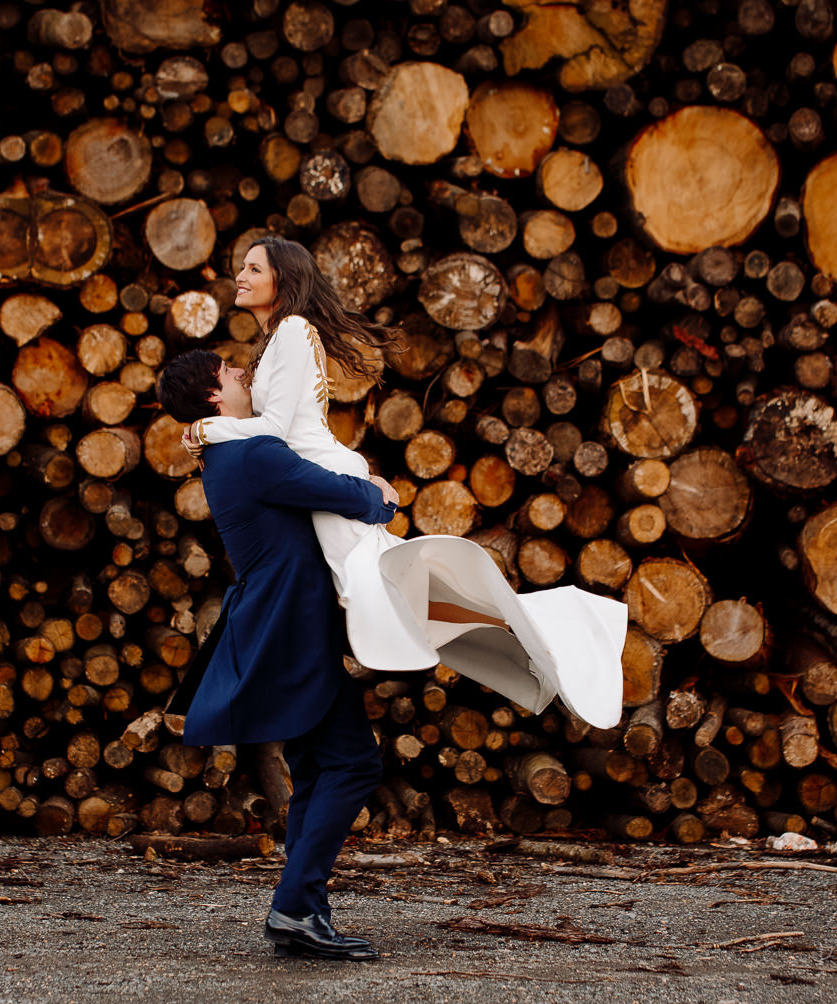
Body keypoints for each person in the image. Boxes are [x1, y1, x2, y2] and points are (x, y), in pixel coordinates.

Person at [160, 236, 628, 731]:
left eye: (254, 269)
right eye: (243, 268)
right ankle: (527, 641)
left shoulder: (294, 330)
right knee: (391, 590)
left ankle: (554, 633)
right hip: (315, 476)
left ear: (283, 279)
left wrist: (211, 428)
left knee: (386, 589)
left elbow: (274, 429)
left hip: (324, 476)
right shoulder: (274, 340)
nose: (242, 277)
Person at [163, 417, 400, 961]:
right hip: (291, 631)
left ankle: (301, 911)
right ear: (212, 394)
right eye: (230, 372)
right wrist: (380, 496)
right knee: (355, 763)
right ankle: (295, 906)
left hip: (283, 626)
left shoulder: (226, 452)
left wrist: (203, 426)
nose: (244, 373)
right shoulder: (255, 454)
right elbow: (336, 492)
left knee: (318, 767)